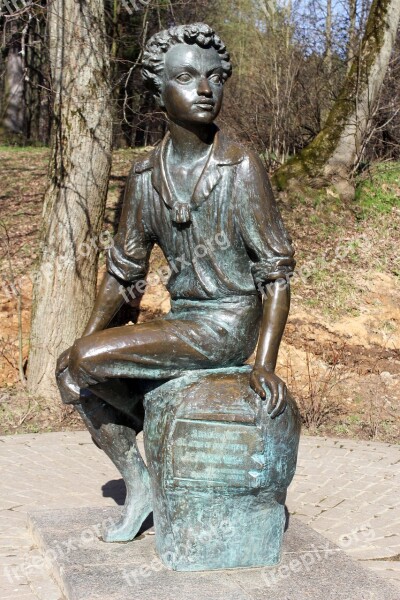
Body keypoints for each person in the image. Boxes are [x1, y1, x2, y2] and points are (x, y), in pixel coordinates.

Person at [56, 23, 295, 543]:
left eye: (214, 77)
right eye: (186, 77)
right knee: (72, 366)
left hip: (227, 324)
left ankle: (151, 436)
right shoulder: (145, 177)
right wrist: (85, 342)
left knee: (84, 363)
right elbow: (124, 276)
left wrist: (264, 364)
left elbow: (274, 274)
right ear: (158, 90)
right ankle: (141, 479)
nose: (205, 89)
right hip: (183, 321)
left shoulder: (241, 166)